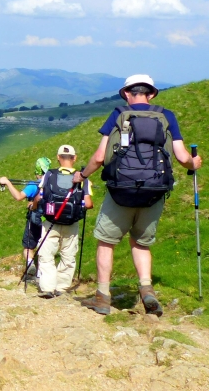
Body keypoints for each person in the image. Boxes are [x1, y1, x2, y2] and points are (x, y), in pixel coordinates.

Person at [74, 75, 201, 316]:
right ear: (151, 94)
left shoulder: (118, 114)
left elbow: (100, 156)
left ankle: (102, 297)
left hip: (121, 190)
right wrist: (195, 163)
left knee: (106, 242)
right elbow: (183, 158)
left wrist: (82, 174)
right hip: (154, 191)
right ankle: (146, 290)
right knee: (141, 243)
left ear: (127, 94)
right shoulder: (167, 116)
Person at [35, 145, 93, 298]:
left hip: (50, 221)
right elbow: (88, 204)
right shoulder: (83, 178)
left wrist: (34, 206)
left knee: (46, 255)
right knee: (68, 256)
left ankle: (47, 288)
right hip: (71, 223)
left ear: (58, 157)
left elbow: (40, 196)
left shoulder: (49, 174)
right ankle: (61, 288)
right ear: (74, 158)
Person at [0, 157, 51, 281]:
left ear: (37, 171)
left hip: (35, 221)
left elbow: (18, 197)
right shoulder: (53, 184)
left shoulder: (33, 186)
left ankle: (30, 265)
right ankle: (44, 276)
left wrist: (7, 182)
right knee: (46, 248)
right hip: (50, 220)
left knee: (28, 247)